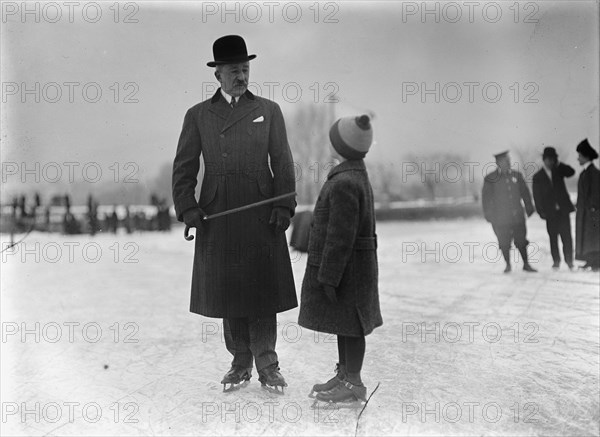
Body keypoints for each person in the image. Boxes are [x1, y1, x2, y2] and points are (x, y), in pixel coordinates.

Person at [172, 35, 297, 392]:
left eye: (245, 69)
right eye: (233, 71)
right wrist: (188, 208)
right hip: (219, 213)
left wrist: (283, 205)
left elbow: (284, 163)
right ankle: (240, 361)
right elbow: (183, 169)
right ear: (218, 75)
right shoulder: (197, 115)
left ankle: (268, 364)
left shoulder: (269, 110)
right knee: (229, 289)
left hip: (260, 210)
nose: (241, 76)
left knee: (262, 289)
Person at [298, 115, 382, 405]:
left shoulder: (345, 181)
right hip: (354, 267)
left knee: (352, 324)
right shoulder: (352, 175)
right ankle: (345, 373)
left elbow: (340, 236)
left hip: (348, 269)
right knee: (344, 322)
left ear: (341, 147)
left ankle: (354, 382)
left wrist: (329, 276)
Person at [482, 151, 537, 273]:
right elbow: (486, 199)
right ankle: (508, 265)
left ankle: (526, 264)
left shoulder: (517, 175)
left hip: (517, 216)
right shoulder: (490, 179)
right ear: (498, 163)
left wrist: (529, 208)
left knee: (521, 240)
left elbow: (525, 193)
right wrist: (489, 215)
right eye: (505, 161)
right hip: (500, 219)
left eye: (508, 160)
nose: (508, 162)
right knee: (504, 242)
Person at [532, 147, 575, 269]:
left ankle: (569, 261)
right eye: (549, 159)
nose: (551, 162)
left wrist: (559, 164)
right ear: (544, 160)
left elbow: (571, 172)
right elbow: (537, 196)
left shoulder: (559, 170)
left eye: (553, 160)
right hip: (550, 213)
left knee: (567, 237)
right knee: (553, 238)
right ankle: (556, 261)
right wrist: (541, 211)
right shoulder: (538, 177)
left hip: (563, 211)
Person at [574, 139, 600, 272]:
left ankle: (596, 262)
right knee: (587, 237)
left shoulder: (594, 173)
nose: (578, 158)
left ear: (586, 157)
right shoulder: (585, 173)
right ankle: (589, 260)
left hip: (593, 213)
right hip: (585, 212)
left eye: (579, 156)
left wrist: (592, 208)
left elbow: (596, 193)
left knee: (593, 237)